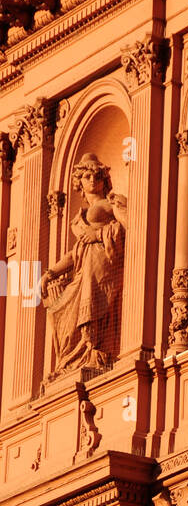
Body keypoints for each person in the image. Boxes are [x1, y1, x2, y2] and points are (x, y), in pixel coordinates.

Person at [40, 154, 125, 376]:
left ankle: (96, 351)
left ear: (103, 179)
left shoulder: (110, 203)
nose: (92, 180)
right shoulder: (80, 216)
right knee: (60, 307)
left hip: (103, 260)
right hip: (84, 263)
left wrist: (98, 234)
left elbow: (128, 227)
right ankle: (75, 358)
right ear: (80, 182)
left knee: (91, 297)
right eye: (86, 176)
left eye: (96, 175)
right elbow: (74, 252)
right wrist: (50, 273)